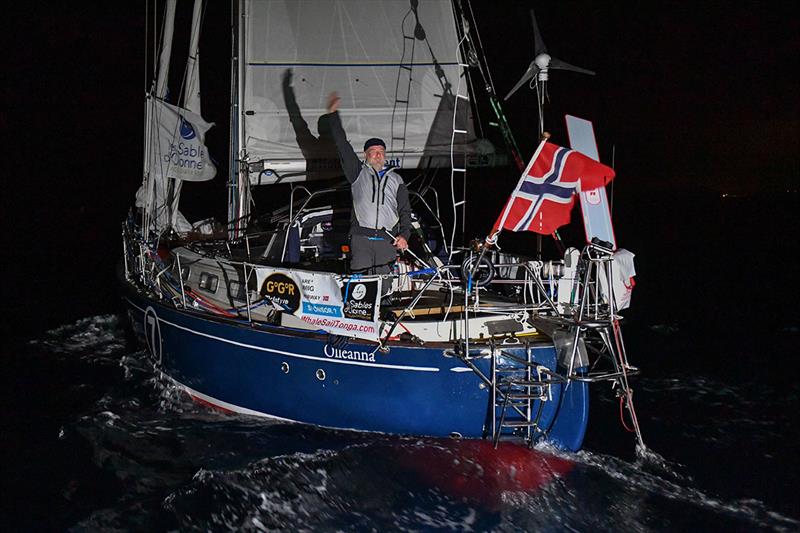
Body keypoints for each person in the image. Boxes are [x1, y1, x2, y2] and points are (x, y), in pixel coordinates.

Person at [323, 92, 412, 275]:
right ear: (366, 155)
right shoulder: (357, 172)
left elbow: (405, 211)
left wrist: (404, 235)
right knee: (360, 285)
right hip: (361, 238)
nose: (378, 155)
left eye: (381, 151)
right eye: (373, 151)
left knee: (384, 284)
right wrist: (333, 115)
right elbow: (342, 145)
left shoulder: (396, 179)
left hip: (387, 240)